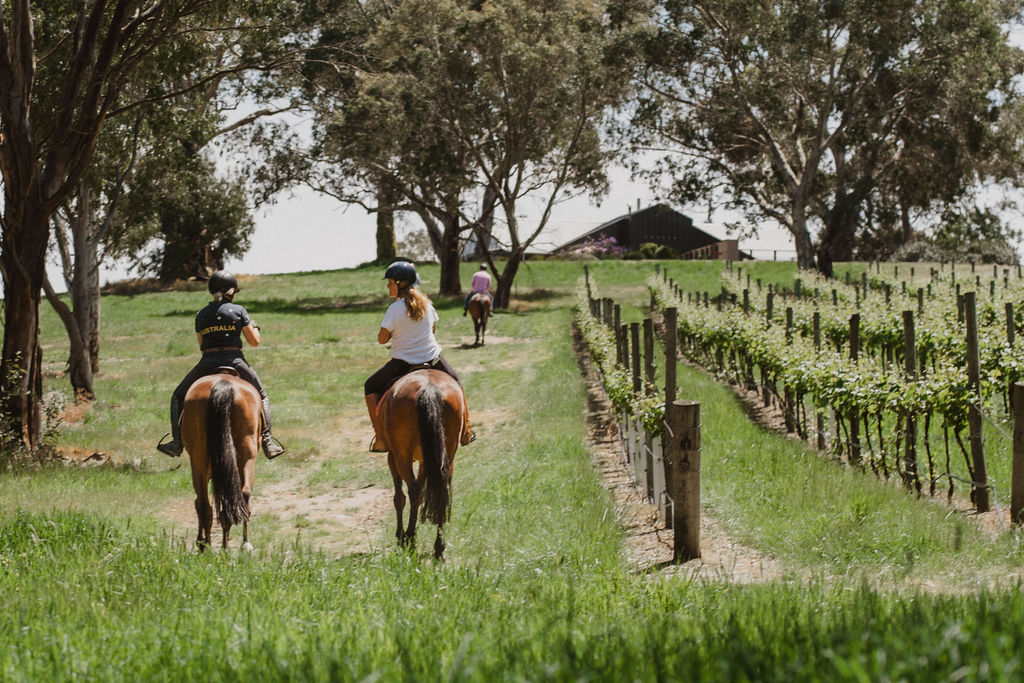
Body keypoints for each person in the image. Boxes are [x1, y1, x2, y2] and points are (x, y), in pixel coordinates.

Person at [156, 270, 285, 459]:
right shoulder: (239, 311)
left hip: (207, 361)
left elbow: (202, 346)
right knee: (263, 395)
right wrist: (255, 326)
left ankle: (176, 442)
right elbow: (254, 341)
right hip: (235, 360)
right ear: (231, 291)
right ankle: (267, 441)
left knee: (177, 396)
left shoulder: (201, 315)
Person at [365, 261, 476, 452]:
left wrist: (395, 334)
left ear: (400, 284)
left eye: (390, 282)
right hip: (433, 359)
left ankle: (381, 437)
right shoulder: (427, 304)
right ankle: (466, 430)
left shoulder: (394, 309)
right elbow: (432, 331)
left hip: (402, 364)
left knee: (370, 385)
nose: (387, 286)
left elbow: (382, 340)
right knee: (456, 383)